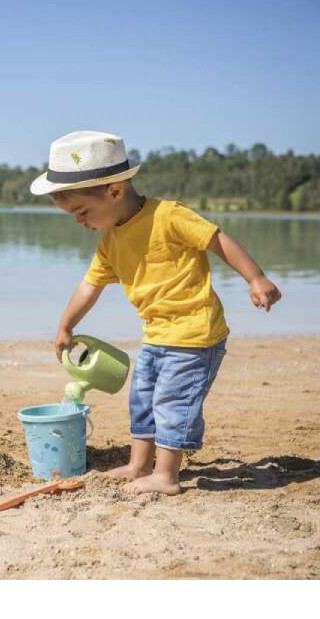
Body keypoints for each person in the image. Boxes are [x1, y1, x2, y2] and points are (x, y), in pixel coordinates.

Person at [30, 131, 282, 495]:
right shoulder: (111, 241)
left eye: (82, 212)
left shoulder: (169, 216)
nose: (79, 222)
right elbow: (90, 285)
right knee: (142, 397)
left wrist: (256, 278)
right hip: (157, 333)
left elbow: (217, 239)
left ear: (114, 191)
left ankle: (166, 475)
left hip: (195, 332)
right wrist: (66, 325)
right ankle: (138, 465)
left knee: (172, 401)